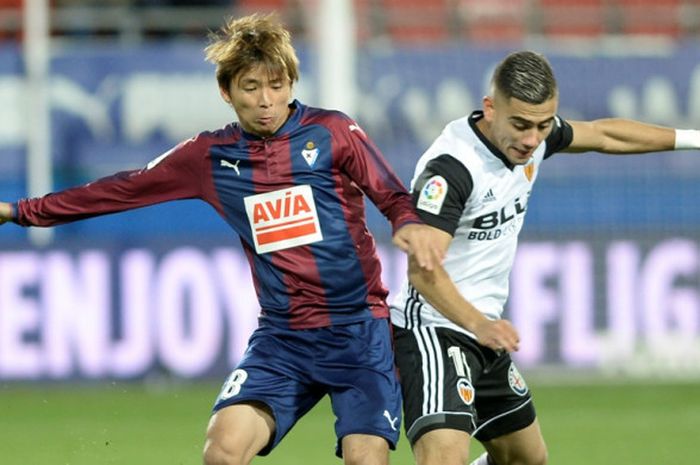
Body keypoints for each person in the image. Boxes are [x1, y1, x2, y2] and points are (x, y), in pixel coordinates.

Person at [0, 13, 442, 465]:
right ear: (226, 92)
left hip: (359, 333)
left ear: (292, 82)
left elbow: (391, 193)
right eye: (251, 88)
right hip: (283, 339)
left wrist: (407, 224)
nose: (266, 101)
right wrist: (20, 212)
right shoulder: (210, 156)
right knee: (223, 451)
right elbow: (123, 188)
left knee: (365, 460)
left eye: (277, 85)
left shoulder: (331, 132)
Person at [389, 50, 700, 465]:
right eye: (520, 125)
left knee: (526, 459)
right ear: (490, 108)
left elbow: (605, 135)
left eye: (543, 125)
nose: (533, 140)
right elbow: (423, 271)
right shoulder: (453, 169)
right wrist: (479, 323)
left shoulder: (532, 139)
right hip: (432, 329)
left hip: (483, 332)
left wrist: (694, 138)